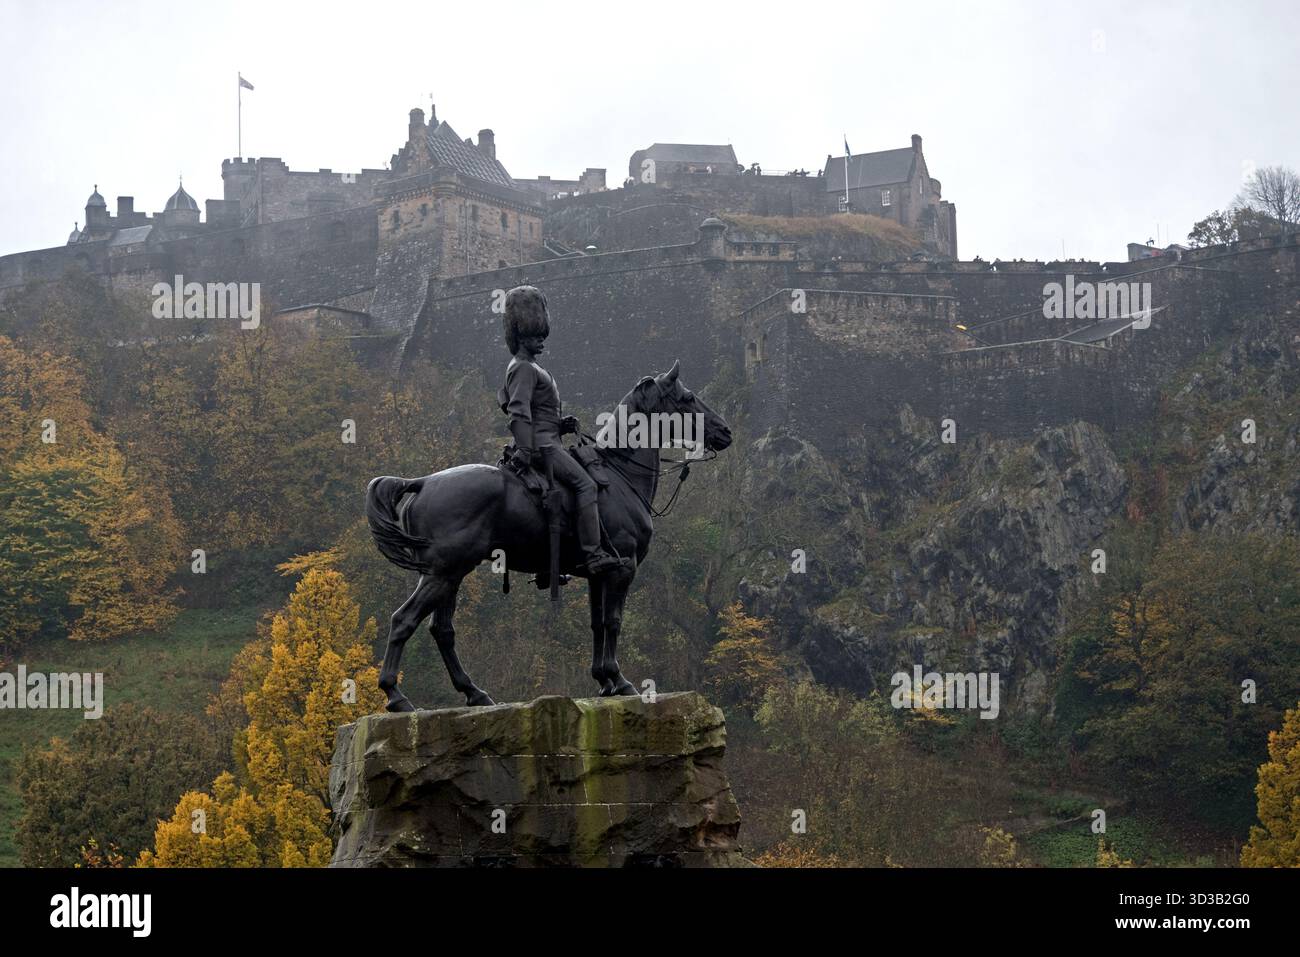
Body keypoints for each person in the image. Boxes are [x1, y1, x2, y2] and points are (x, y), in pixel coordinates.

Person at [498, 285, 625, 575]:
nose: (541, 341)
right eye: (534, 336)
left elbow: (538, 413)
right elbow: (519, 414)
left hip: (548, 439)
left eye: (542, 335)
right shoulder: (523, 368)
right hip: (542, 447)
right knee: (586, 485)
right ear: (520, 335)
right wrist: (527, 451)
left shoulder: (531, 366)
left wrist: (560, 424)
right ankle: (593, 555)